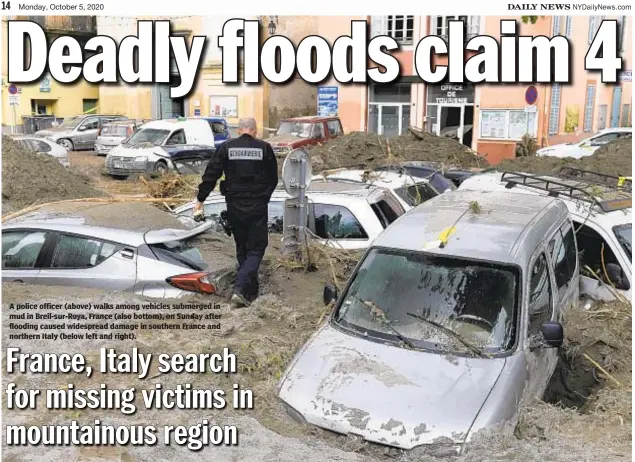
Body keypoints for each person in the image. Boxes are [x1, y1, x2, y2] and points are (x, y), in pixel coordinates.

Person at [195, 118, 278, 308]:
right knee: (257, 248)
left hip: (234, 206)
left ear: (239, 130)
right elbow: (273, 179)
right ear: (255, 131)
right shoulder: (264, 148)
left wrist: (200, 199)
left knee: (242, 248)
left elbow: (211, 175)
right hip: (257, 206)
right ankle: (240, 289)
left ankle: (250, 294)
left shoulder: (226, 147)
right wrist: (263, 197)